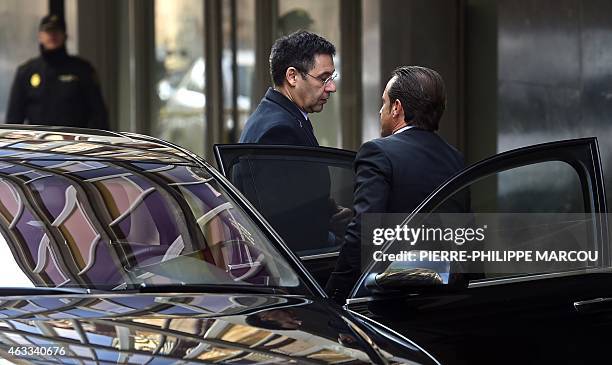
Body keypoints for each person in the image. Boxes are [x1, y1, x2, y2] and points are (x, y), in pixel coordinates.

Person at [325, 66, 467, 303]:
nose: (381, 110)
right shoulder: (454, 157)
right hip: (443, 294)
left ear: (397, 108)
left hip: (392, 297)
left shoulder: (377, 152)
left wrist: (335, 293)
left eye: (384, 103)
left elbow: (365, 233)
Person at [6, 14, 109, 130]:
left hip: (76, 144)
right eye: (48, 31)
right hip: (37, 144)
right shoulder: (26, 72)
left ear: (64, 35)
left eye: (57, 31)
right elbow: (13, 119)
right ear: (40, 36)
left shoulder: (82, 69)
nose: (52, 35)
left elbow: (98, 114)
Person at [239, 30, 337, 146]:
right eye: (323, 78)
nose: (332, 87)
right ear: (292, 76)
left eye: (332, 77)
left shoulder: (279, 115)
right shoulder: (279, 131)